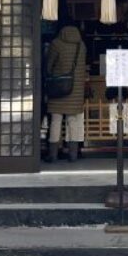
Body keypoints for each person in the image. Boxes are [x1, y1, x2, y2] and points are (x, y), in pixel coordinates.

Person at [44, 24, 87, 162]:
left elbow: (48, 66)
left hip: (58, 88)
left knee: (56, 121)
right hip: (75, 90)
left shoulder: (56, 44)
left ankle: (53, 155)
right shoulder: (82, 46)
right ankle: (73, 155)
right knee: (73, 121)